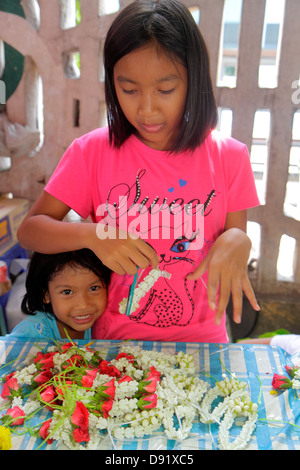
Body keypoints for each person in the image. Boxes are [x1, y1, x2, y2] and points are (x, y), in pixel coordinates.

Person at [17, 0, 260, 344]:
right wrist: (93, 235)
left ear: (194, 80)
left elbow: (233, 245)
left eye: (165, 90)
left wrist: (240, 240)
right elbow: (31, 231)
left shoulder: (229, 157)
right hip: (115, 346)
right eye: (129, 90)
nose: (146, 109)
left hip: (203, 345)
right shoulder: (91, 153)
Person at [9, 249, 110, 340]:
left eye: (94, 288)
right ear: (46, 295)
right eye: (67, 292)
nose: (83, 305)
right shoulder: (31, 334)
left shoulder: (106, 323)